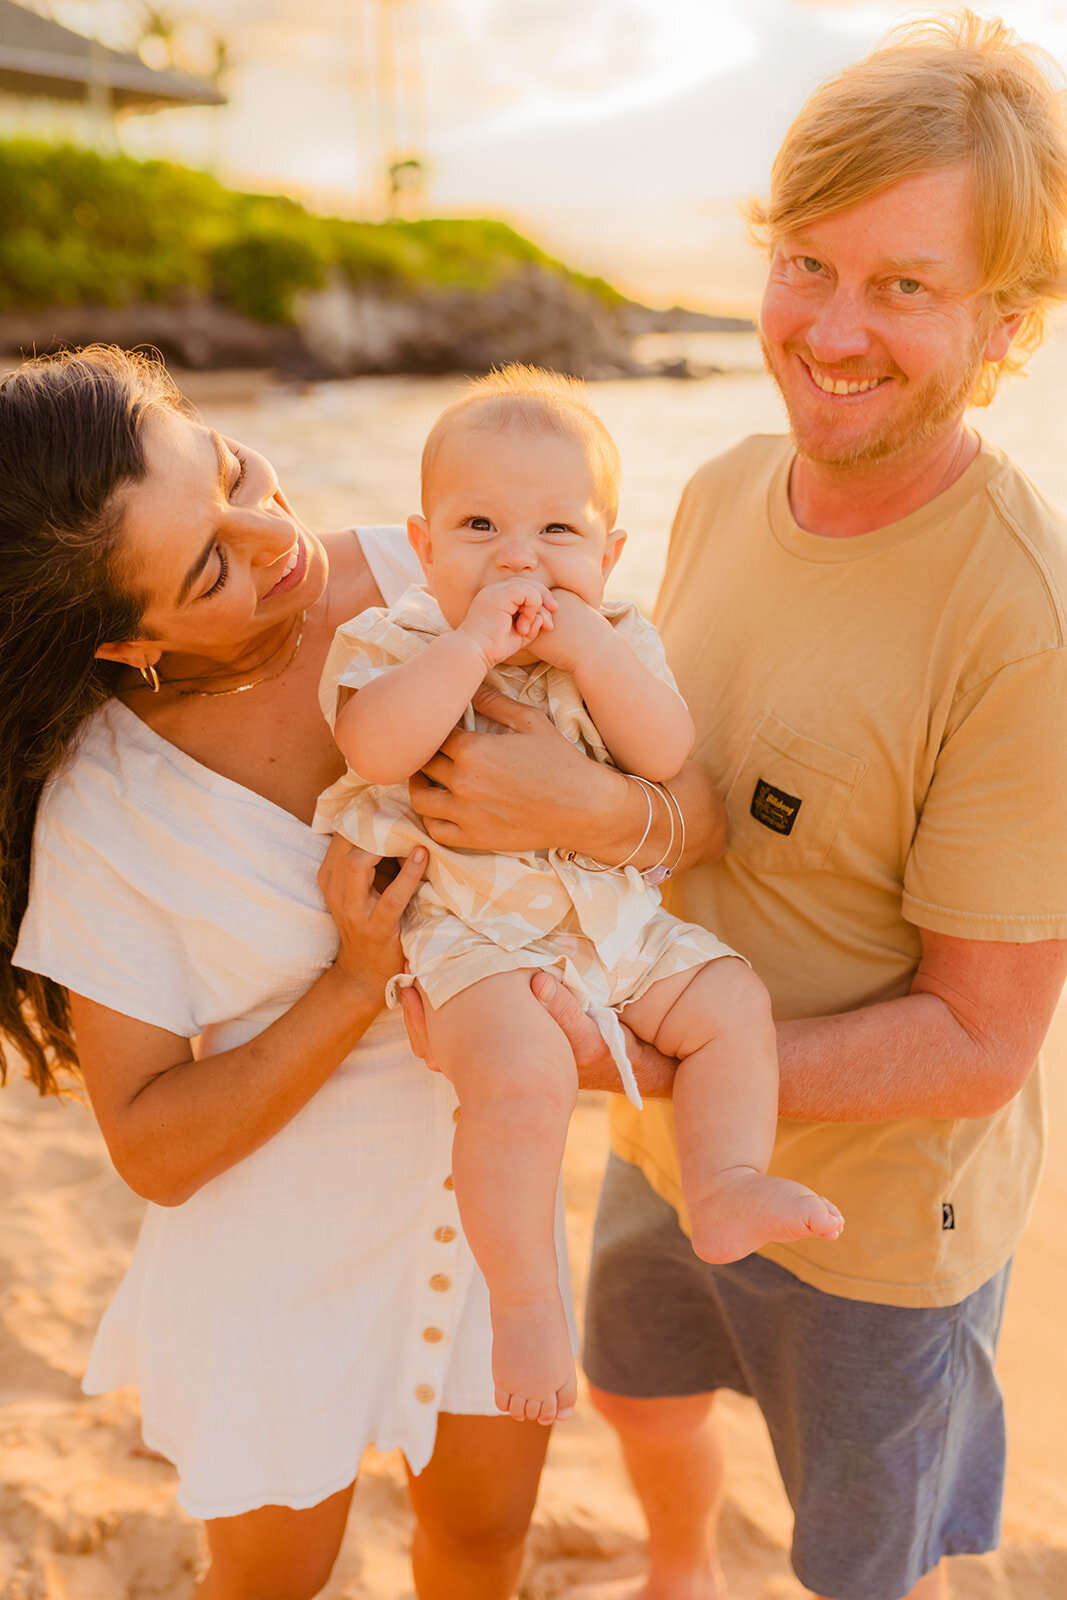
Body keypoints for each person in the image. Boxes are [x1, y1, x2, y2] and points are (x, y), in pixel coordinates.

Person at [0, 345, 724, 1600]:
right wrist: (353, 979)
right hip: (280, 1259)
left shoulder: (450, 562)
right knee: (279, 1576)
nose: (273, 536)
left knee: (485, 1544)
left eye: (229, 469)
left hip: (479, 1219)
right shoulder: (108, 809)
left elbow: (689, 813)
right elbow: (150, 1148)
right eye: (210, 565)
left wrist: (597, 810)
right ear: (125, 645)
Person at [533, 13, 1067, 1600]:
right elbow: (675, 797)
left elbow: (979, 1043)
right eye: (804, 266)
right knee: (636, 1392)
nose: (830, 330)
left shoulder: (1016, 624)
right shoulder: (709, 492)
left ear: (1005, 324)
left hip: (874, 1229)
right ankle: (678, 1572)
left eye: (902, 286)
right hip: (652, 1142)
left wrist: (645, 1057)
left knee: (854, 1561)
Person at [315, 368, 843, 1428]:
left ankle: (726, 1178)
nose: (518, 555)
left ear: (608, 556)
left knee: (730, 999)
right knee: (519, 1083)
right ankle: (522, 1302)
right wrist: (469, 648)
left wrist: (588, 644)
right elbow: (372, 744)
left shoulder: (616, 642)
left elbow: (663, 752)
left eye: (557, 530)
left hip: (609, 924)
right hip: (471, 938)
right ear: (422, 548)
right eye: (478, 525)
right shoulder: (398, 642)